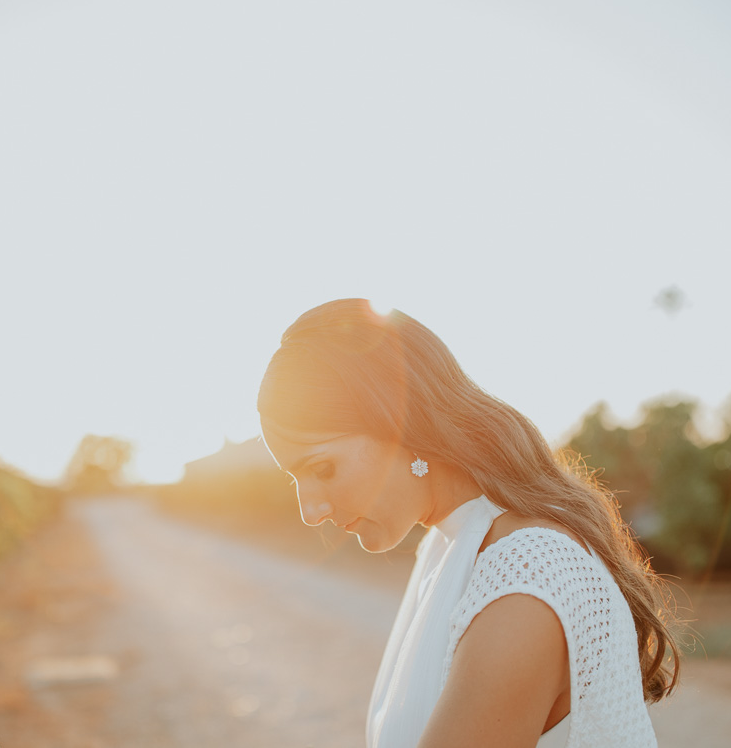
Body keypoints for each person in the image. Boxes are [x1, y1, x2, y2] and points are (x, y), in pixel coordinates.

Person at [257, 299, 680, 748]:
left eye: (322, 469)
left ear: (401, 423)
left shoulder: (528, 580)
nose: (311, 512)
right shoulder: (446, 546)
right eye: (295, 479)